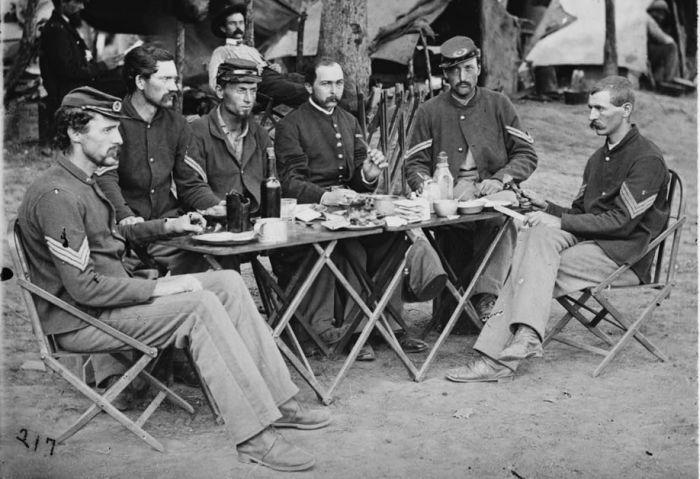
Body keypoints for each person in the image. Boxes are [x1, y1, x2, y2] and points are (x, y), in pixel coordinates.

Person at [18, 86, 330, 472]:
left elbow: (117, 236)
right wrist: (160, 286)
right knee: (198, 306)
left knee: (228, 284)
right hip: (84, 318)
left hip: (112, 302)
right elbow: (83, 287)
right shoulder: (57, 194)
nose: (119, 139)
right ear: (75, 133)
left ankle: (280, 402)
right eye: (107, 130)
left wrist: (168, 226)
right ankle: (254, 437)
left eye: (119, 129)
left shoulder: (85, 181)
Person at [445, 76, 670, 382]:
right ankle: (523, 338)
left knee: (529, 266)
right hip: (591, 243)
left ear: (626, 109)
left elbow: (621, 222)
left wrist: (560, 221)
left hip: (624, 254)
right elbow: (582, 214)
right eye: (590, 108)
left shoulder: (646, 158)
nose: (592, 117)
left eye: (601, 109)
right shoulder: (597, 158)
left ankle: (496, 356)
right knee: (534, 236)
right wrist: (546, 206)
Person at [274, 57, 427, 359]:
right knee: (352, 246)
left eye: (339, 83)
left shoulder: (348, 120)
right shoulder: (291, 125)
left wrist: (369, 172)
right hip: (311, 214)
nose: (334, 90)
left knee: (392, 239)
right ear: (309, 86)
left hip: (349, 210)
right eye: (326, 83)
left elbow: (358, 177)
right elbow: (290, 182)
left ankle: (390, 323)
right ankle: (356, 331)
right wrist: (326, 197)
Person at [405, 36, 538, 329]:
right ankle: (454, 304)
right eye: (454, 71)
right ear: (446, 74)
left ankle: (487, 296)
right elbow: (413, 164)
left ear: (479, 66)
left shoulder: (498, 104)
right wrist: (431, 188)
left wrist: (502, 178)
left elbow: (526, 153)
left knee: (501, 222)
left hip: (491, 193)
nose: (462, 77)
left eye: (468, 68)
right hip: (450, 199)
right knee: (453, 239)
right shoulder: (431, 111)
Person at [95, 44, 215, 274]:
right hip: (127, 232)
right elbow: (105, 179)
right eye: (166, 79)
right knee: (199, 268)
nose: (176, 87)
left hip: (169, 227)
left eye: (176, 80)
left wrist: (215, 206)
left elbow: (189, 184)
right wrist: (127, 217)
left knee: (219, 256)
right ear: (141, 82)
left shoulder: (177, 124)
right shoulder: (111, 123)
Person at [186, 59, 272, 215]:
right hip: (213, 221)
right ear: (219, 91)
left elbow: (272, 180)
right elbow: (190, 184)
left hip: (257, 220)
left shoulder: (260, 134)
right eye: (241, 90)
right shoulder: (198, 131)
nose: (248, 99)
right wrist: (219, 207)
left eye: (253, 91)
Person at [39, 0, 122, 133]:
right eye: (78, 2)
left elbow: (79, 62)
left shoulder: (64, 25)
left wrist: (106, 65)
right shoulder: (56, 30)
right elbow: (69, 70)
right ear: (63, 3)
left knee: (120, 76)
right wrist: (103, 66)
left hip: (78, 85)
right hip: (70, 91)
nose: (82, 7)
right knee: (122, 86)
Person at [208, 2, 308, 107]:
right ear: (223, 28)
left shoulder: (251, 50)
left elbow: (266, 67)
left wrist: (274, 67)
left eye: (241, 23)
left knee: (309, 82)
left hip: (276, 79)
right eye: (233, 23)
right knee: (302, 91)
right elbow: (213, 84)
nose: (238, 27)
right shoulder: (221, 51)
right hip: (259, 86)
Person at [647, 0, 680, 86]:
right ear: (653, 11)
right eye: (659, 13)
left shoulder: (651, 20)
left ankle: (660, 79)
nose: (661, 17)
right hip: (646, 52)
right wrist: (671, 41)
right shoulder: (649, 20)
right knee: (671, 47)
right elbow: (661, 37)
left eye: (663, 14)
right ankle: (668, 79)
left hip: (647, 51)